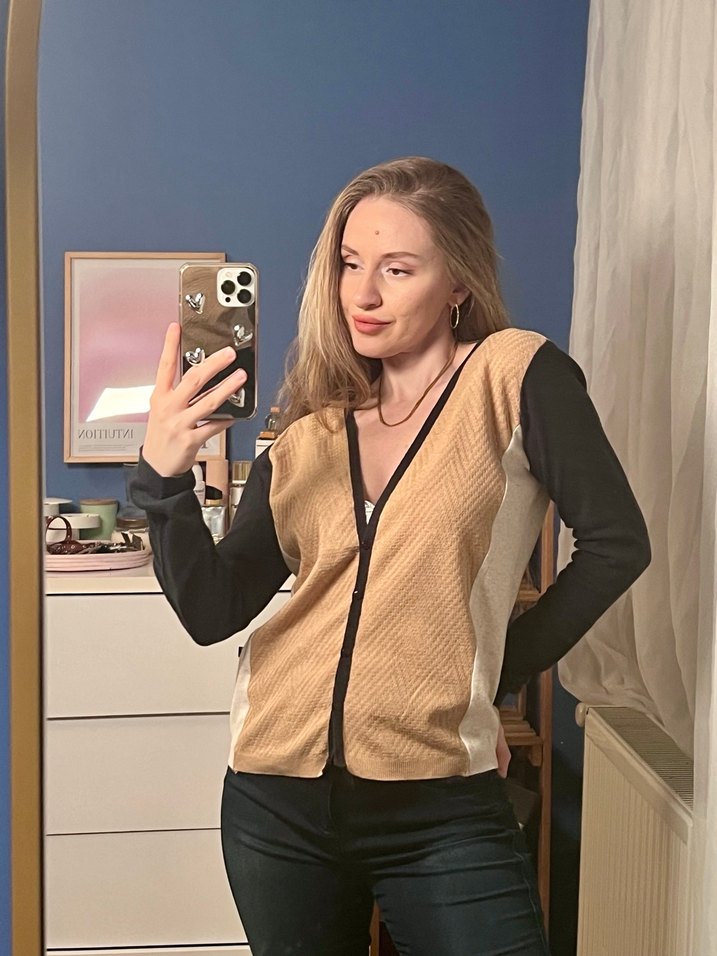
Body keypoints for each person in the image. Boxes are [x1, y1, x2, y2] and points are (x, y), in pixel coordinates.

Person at [131, 157, 651, 956]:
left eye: (397, 269)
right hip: (275, 799)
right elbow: (212, 609)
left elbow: (617, 543)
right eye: (350, 264)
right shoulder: (306, 430)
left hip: (440, 804)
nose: (363, 294)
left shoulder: (513, 376)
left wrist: (492, 673)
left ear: (457, 283)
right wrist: (163, 479)